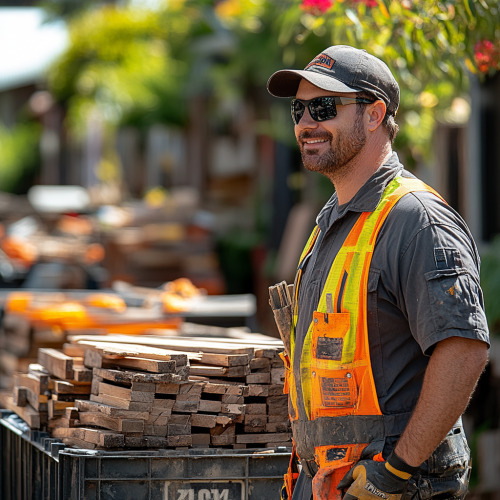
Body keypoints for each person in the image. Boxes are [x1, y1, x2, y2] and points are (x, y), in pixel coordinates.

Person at [267, 45, 489, 500]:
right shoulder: (335, 220)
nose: (307, 123)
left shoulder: (416, 220)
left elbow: (463, 350)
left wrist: (395, 473)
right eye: (299, 109)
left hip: (401, 487)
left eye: (324, 107)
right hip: (338, 483)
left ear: (374, 114)